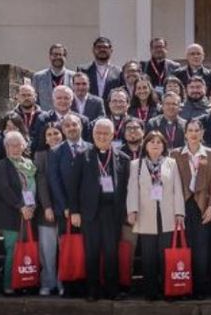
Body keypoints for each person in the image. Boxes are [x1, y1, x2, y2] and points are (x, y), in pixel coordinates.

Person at [72, 118, 130, 301]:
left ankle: (112, 290)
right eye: (98, 133)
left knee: (112, 252)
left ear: (113, 135)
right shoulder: (83, 155)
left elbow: (127, 187)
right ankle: (92, 290)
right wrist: (74, 211)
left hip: (112, 212)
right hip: (90, 212)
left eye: (106, 133)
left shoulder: (124, 158)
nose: (102, 137)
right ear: (93, 134)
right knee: (92, 252)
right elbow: (74, 186)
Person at [127, 132, 183, 300]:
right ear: (145, 145)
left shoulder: (171, 163)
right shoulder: (136, 164)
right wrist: (132, 210)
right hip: (145, 215)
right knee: (148, 256)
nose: (156, 145)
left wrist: (179, 212)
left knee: (165, 255)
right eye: (152, 142)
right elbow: (132, 189)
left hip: (167, 214)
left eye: (159, 142)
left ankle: (168, 289)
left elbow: (177, 189)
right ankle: (150, 291)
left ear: (164, 145)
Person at [174, 119, 211, 297]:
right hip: (182, 206)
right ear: (185, 133)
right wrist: (176, 209)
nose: (193, 134)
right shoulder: (175, 154)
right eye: (190, 130)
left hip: (202, 206)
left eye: (196, 130)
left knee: (201, 248)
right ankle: (183, 285)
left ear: (202, 133)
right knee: (184, 247)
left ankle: (199, 287)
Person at [49, 115, 92, 297]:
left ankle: (84, 284)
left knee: (86, 248)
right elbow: (54, 181)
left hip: (88, 210)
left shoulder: (91, 148)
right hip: (65, 210)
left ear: (81, 126)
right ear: (63, 129)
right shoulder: (56, 151)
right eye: (67, 125)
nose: (71, 127)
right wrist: (66, 206)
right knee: (67, 247)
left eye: (74, 124)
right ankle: (68, 285)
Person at [0, 130, 38, 296]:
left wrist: (32, 207)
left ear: (23, 146)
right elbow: (4, 189)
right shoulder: (1, 166)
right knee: (13, 249)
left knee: (26, 249)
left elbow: (35, 188)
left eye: (18, 145)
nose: (15, 148)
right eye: (11, 145)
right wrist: (21, 207)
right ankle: (9, 285)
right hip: (11, 214)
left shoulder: (30, 164)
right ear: (6, 148)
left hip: (30, 214)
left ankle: (25, 281)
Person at [34, 123, 65, 296]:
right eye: (49, 134)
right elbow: (41, 182)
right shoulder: (40, 155)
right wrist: (47, 206)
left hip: (65, 210)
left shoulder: (69, 152)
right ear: (45, 138)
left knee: (63, 249)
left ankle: (62, 282)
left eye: (56, 133)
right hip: (46, 210)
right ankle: (48, 282)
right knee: (47, 250)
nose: (53, 137)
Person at [38, 84, 85, 152]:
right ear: (53, 100)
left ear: (71, 100)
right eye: (59, 98)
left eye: (66, 98)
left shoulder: (82, 120)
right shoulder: (43, 119)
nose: (63, 101)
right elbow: (39, 145)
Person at [5, 85, 46, 154]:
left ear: (35, 97)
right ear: (17, 97)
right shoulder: (9, 117)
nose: (26, 98)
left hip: (39, 156)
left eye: (29, 95)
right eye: (23, 95)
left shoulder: (45, 117)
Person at [81, 36, 123, 101]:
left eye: (105, 47)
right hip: (90, 109)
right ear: (93, 50)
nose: (102, 50)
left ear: (111, 50)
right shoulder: (83, 70)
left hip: (111, 110)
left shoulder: (119, 72)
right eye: (99, 47)